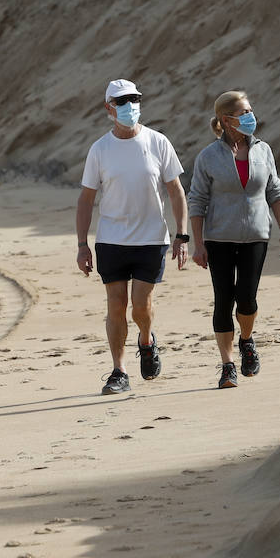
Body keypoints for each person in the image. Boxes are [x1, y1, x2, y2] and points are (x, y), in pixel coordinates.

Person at [77, 79, 190, 394]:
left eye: (134, 100)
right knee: (116, 304)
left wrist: (182, 235)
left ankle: (146, 340)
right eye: (122, 102)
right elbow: (86, 200)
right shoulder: (100, 149)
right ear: (109, 108)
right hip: (111, 239)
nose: (129, 107)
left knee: (140, 305)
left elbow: (176, 191)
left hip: (151, 238)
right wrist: (82, 245)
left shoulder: (158, 142)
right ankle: (118, 371)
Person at [187, 90, 280, 389]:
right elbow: (197, 200)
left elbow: (275, 191)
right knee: (224, 300)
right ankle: (227, 365)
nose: (250, 117)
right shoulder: (208, 156)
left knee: (246, 299)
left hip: (256, 236)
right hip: (219, 238)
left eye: (250, 111)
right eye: (243, 113)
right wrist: (198, 244)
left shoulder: (263, 151)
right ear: (226, 119)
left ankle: (246, 339)